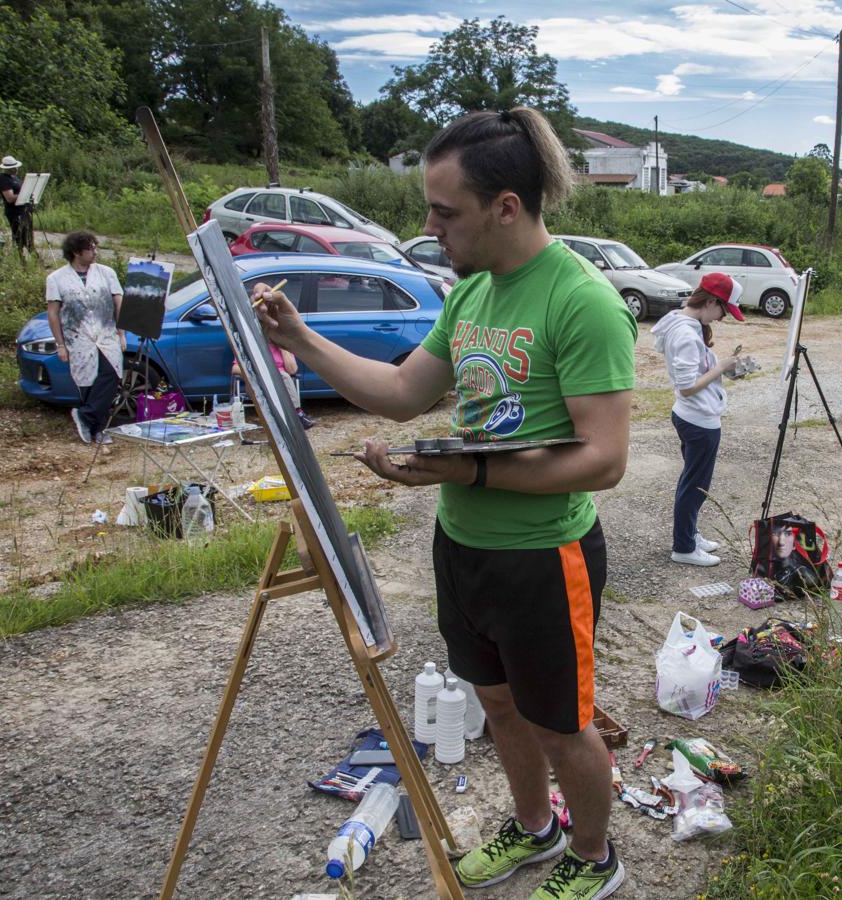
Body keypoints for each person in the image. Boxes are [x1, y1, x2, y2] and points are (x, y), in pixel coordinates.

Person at [253, 106, 634, 899]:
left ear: (506, 206)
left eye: (444, 210)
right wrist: (300, 342)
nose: (428, 226)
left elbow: (605, 459)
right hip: (462, 546)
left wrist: (471, 475)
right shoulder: (470, 298)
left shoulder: (582, 300)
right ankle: (535, 832)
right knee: (497, 707)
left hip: (544, 556)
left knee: (563, 726)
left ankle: (595, 860)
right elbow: (400, 393)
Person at [651, 271, 745, 567]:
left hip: (694, 418)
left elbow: (693, 376)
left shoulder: (685, 323)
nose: (721, 318)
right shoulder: (685, 332)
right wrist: (723, 367)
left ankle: (690, 534)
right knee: (695, 485)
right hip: (698, 421)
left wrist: (725, 368)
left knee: (692, 482)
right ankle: (684, 547)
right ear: (712, 301)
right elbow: (687, 386)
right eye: (723, 311)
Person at [46, 231, 124, 447]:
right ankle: (95, 428)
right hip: (78, 337)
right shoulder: (56, 278)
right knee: (87, 381)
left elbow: (118, 301)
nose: (95, 252)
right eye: (90, 248)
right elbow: (53, 313)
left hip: (105, 333)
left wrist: (122, 332)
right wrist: (60, 344)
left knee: (111, 375)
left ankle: (86, 416)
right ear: (76, 252)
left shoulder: (106, 273)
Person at [0, 155, 28, 250]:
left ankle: (31, 256)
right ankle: (21, 257)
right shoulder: (3, 179)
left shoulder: (14, 177)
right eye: (14, 167)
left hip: (23, 210)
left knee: (27, 235)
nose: (16, 169)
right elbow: (9, 198)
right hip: (14, 212)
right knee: (19, 236)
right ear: (8, 169)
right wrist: (24, 195)